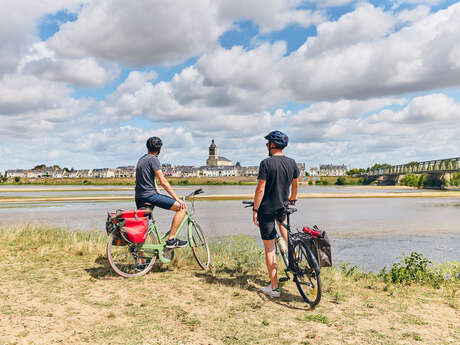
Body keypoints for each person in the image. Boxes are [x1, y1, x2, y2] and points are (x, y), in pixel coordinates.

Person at [252, 130, 299, 298]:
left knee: (270, 249)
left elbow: (260, 189)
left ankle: (275, 288)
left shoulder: (266, 163)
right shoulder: (292, 163)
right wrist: (292, 199)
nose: (266, 146)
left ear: (272, 144)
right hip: (283, 207)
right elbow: (295, 186)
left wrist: (255, 209)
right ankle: (295, 256)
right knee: (285, 232)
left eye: (267, 143)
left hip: (266, 210)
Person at [135, 136, 188, 248]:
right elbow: (163, 181)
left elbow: (149, 176)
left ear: (147, 147)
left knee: (143, 226)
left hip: (139, 196)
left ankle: (141, 262)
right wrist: (177, 198)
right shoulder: (154, 159)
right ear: (159, 149)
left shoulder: (141, 159)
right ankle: (171, 240)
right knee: (182, 208)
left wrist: (156, 187)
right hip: (150, 196)